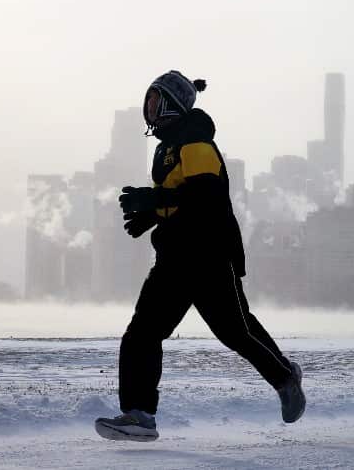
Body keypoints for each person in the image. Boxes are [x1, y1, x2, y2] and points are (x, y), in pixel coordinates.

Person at [94, 70, 305, 442]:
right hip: (175, 255)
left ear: (173, 104)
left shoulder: (195, 142)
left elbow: (206, 197)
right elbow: (181, 198)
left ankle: (285, 378)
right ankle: (139, 416)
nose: (149, 109)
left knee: (235, 332)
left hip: (207, 254)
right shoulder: (169, 145)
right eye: (148, 101)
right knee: (143, 333)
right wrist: (151, 216)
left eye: (155, 101)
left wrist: (155, 199)